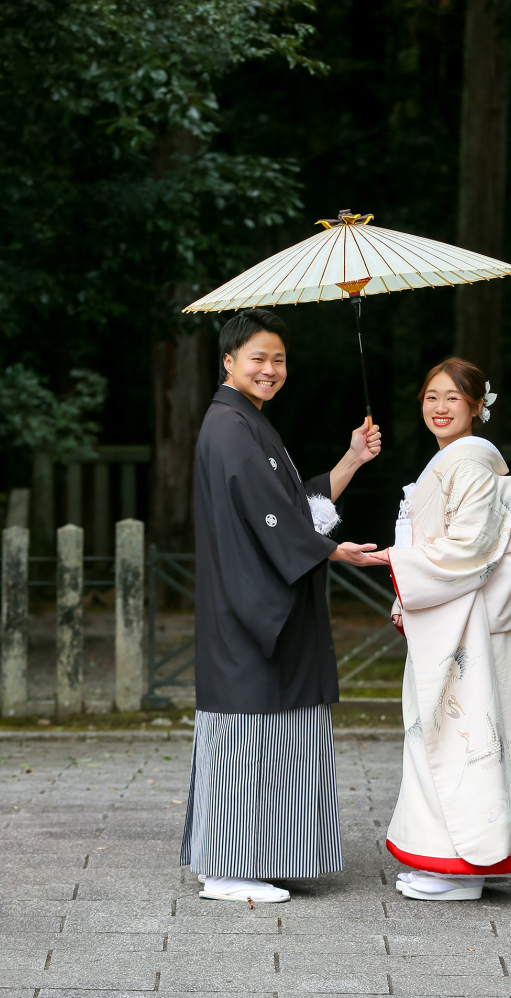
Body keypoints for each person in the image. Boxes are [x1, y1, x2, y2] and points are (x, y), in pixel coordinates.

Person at [180, 308, 381, 904]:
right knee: (245, 732)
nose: (270, 370)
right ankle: (225, 868)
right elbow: (277, 523)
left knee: (271, 736)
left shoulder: (247, 424)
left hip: (261, 604)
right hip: (249, 611)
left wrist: (351, 461)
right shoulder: (229, 429)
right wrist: (329, 550)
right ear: (228, 362)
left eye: (279, 359)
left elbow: (288, 508)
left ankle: (261, 856)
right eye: (257, 358)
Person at [367, 357, 511, 901]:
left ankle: (462, 866)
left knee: (459, 739)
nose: (439, 407)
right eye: (431, 396)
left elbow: (469, 550)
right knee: (437, 735)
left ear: (478, 406)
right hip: (449, 614)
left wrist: (396, 558)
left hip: (466, 625)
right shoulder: (451, 464)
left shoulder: (471, 465)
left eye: (453, 398)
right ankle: (443, 859)